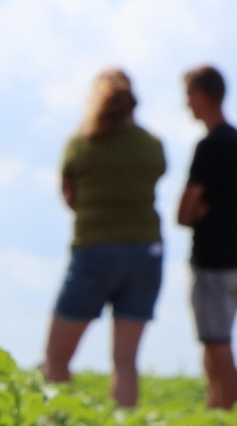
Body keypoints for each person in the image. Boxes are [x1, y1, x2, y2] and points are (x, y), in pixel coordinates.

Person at [42, 68, 167, 408]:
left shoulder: (80, 143)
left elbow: (69, 196)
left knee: (56, 358)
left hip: (94, 251)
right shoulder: (151, 145)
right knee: (126, 362)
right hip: (146, 252)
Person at [176, 65, 237, 411]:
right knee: (215, 345)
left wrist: (200, 211)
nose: (186, 105)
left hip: (212, 260)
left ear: (201, 95)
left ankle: (235, 425)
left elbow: (183, 214)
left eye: (189, 96)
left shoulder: (210, 145)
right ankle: (216, 418)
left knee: (218, 345)